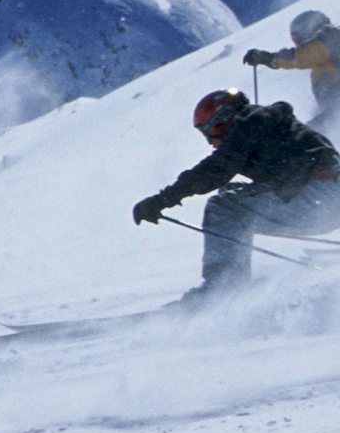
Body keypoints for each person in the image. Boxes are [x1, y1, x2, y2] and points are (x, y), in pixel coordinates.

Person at [132, 89, 340, 299]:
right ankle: (231, 283)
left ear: (221, 121)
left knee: (224, 207)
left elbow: (218, 168)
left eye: (208, 131)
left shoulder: (250, 124)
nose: (210, 142)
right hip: (324, 196)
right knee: (231, 194)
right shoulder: (262, 122)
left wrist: (163, 198)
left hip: (318, 197)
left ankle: (224, 289)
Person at [244, 10, 340, 124]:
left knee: (311, 133)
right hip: (334, 106)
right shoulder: (325, 52)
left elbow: (300, 57)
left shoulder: (329, 38)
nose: (298, 43)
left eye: (298, 37)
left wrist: (270, 59)